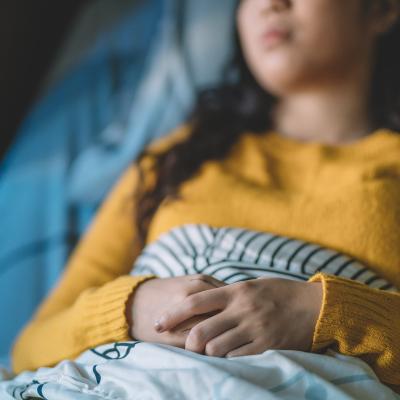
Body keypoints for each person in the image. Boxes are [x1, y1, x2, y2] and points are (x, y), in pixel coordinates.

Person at [12, 0, 400, 392]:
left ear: (382, 9)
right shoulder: (178, 158)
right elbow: (30, 347)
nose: (269, 5)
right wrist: (132, 308)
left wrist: (320, 310)